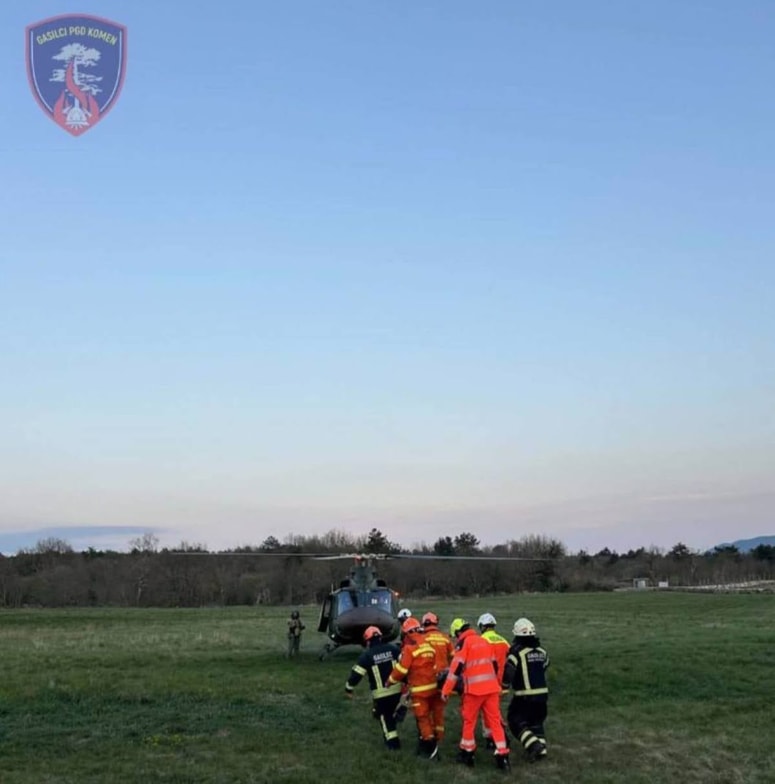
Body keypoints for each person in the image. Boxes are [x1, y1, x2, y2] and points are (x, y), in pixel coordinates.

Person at [441, 618, 510, 772]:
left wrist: (446, 690)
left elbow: (454, 671)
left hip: (474, 691)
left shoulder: (463, 644)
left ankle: (467, 753)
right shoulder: (483, 640)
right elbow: (494, 665)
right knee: (495, 723)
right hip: (492, 689)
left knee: (469, 721)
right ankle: (503, 757)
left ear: (459, 632)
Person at [387, 617, 442, 760]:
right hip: (433, 688)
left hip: (419, 691)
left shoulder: (409, 648)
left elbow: (401, 670)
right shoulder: (429, 645)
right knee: (431, 716)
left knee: (422, 718)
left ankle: (431, 748)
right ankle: (429, 741)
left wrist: (390, 681)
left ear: (406, 633)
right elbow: (435, 667)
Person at [345, 626, 403, 750]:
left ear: (368, 641)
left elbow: (356, 675)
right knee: (391, 713)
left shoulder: (367, 656)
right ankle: (397, 715)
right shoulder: (394, 649)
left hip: (381, 694)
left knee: (384, 717)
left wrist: (348, 688)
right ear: (381, 637)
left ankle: (393, 745)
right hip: (398, 691)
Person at [502, 617, 549, 761]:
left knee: (515, 720)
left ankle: (534, 746)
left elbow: (509, 670)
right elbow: (545, 665)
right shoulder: (542, 651)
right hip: (542, 695)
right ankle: (541, 751)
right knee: (536, 723)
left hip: (525, 695)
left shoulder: (516, 652)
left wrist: (504, 685)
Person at [477, 612, 511, 750]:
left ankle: (493, 739)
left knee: (488, 713)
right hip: (502, 683)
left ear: (482, 626)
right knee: (495, 711)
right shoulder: (503, 640)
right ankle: (500, 736)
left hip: (488, 683)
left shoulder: (482, 640)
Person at [420, 612, 454, 744]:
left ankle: (427, 735)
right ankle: (439, 736)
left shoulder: (423, 638)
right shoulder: (445, 638)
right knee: (438, 709)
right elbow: (454, 657)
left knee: (426, 709)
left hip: (427, 679)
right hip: (443, 680)